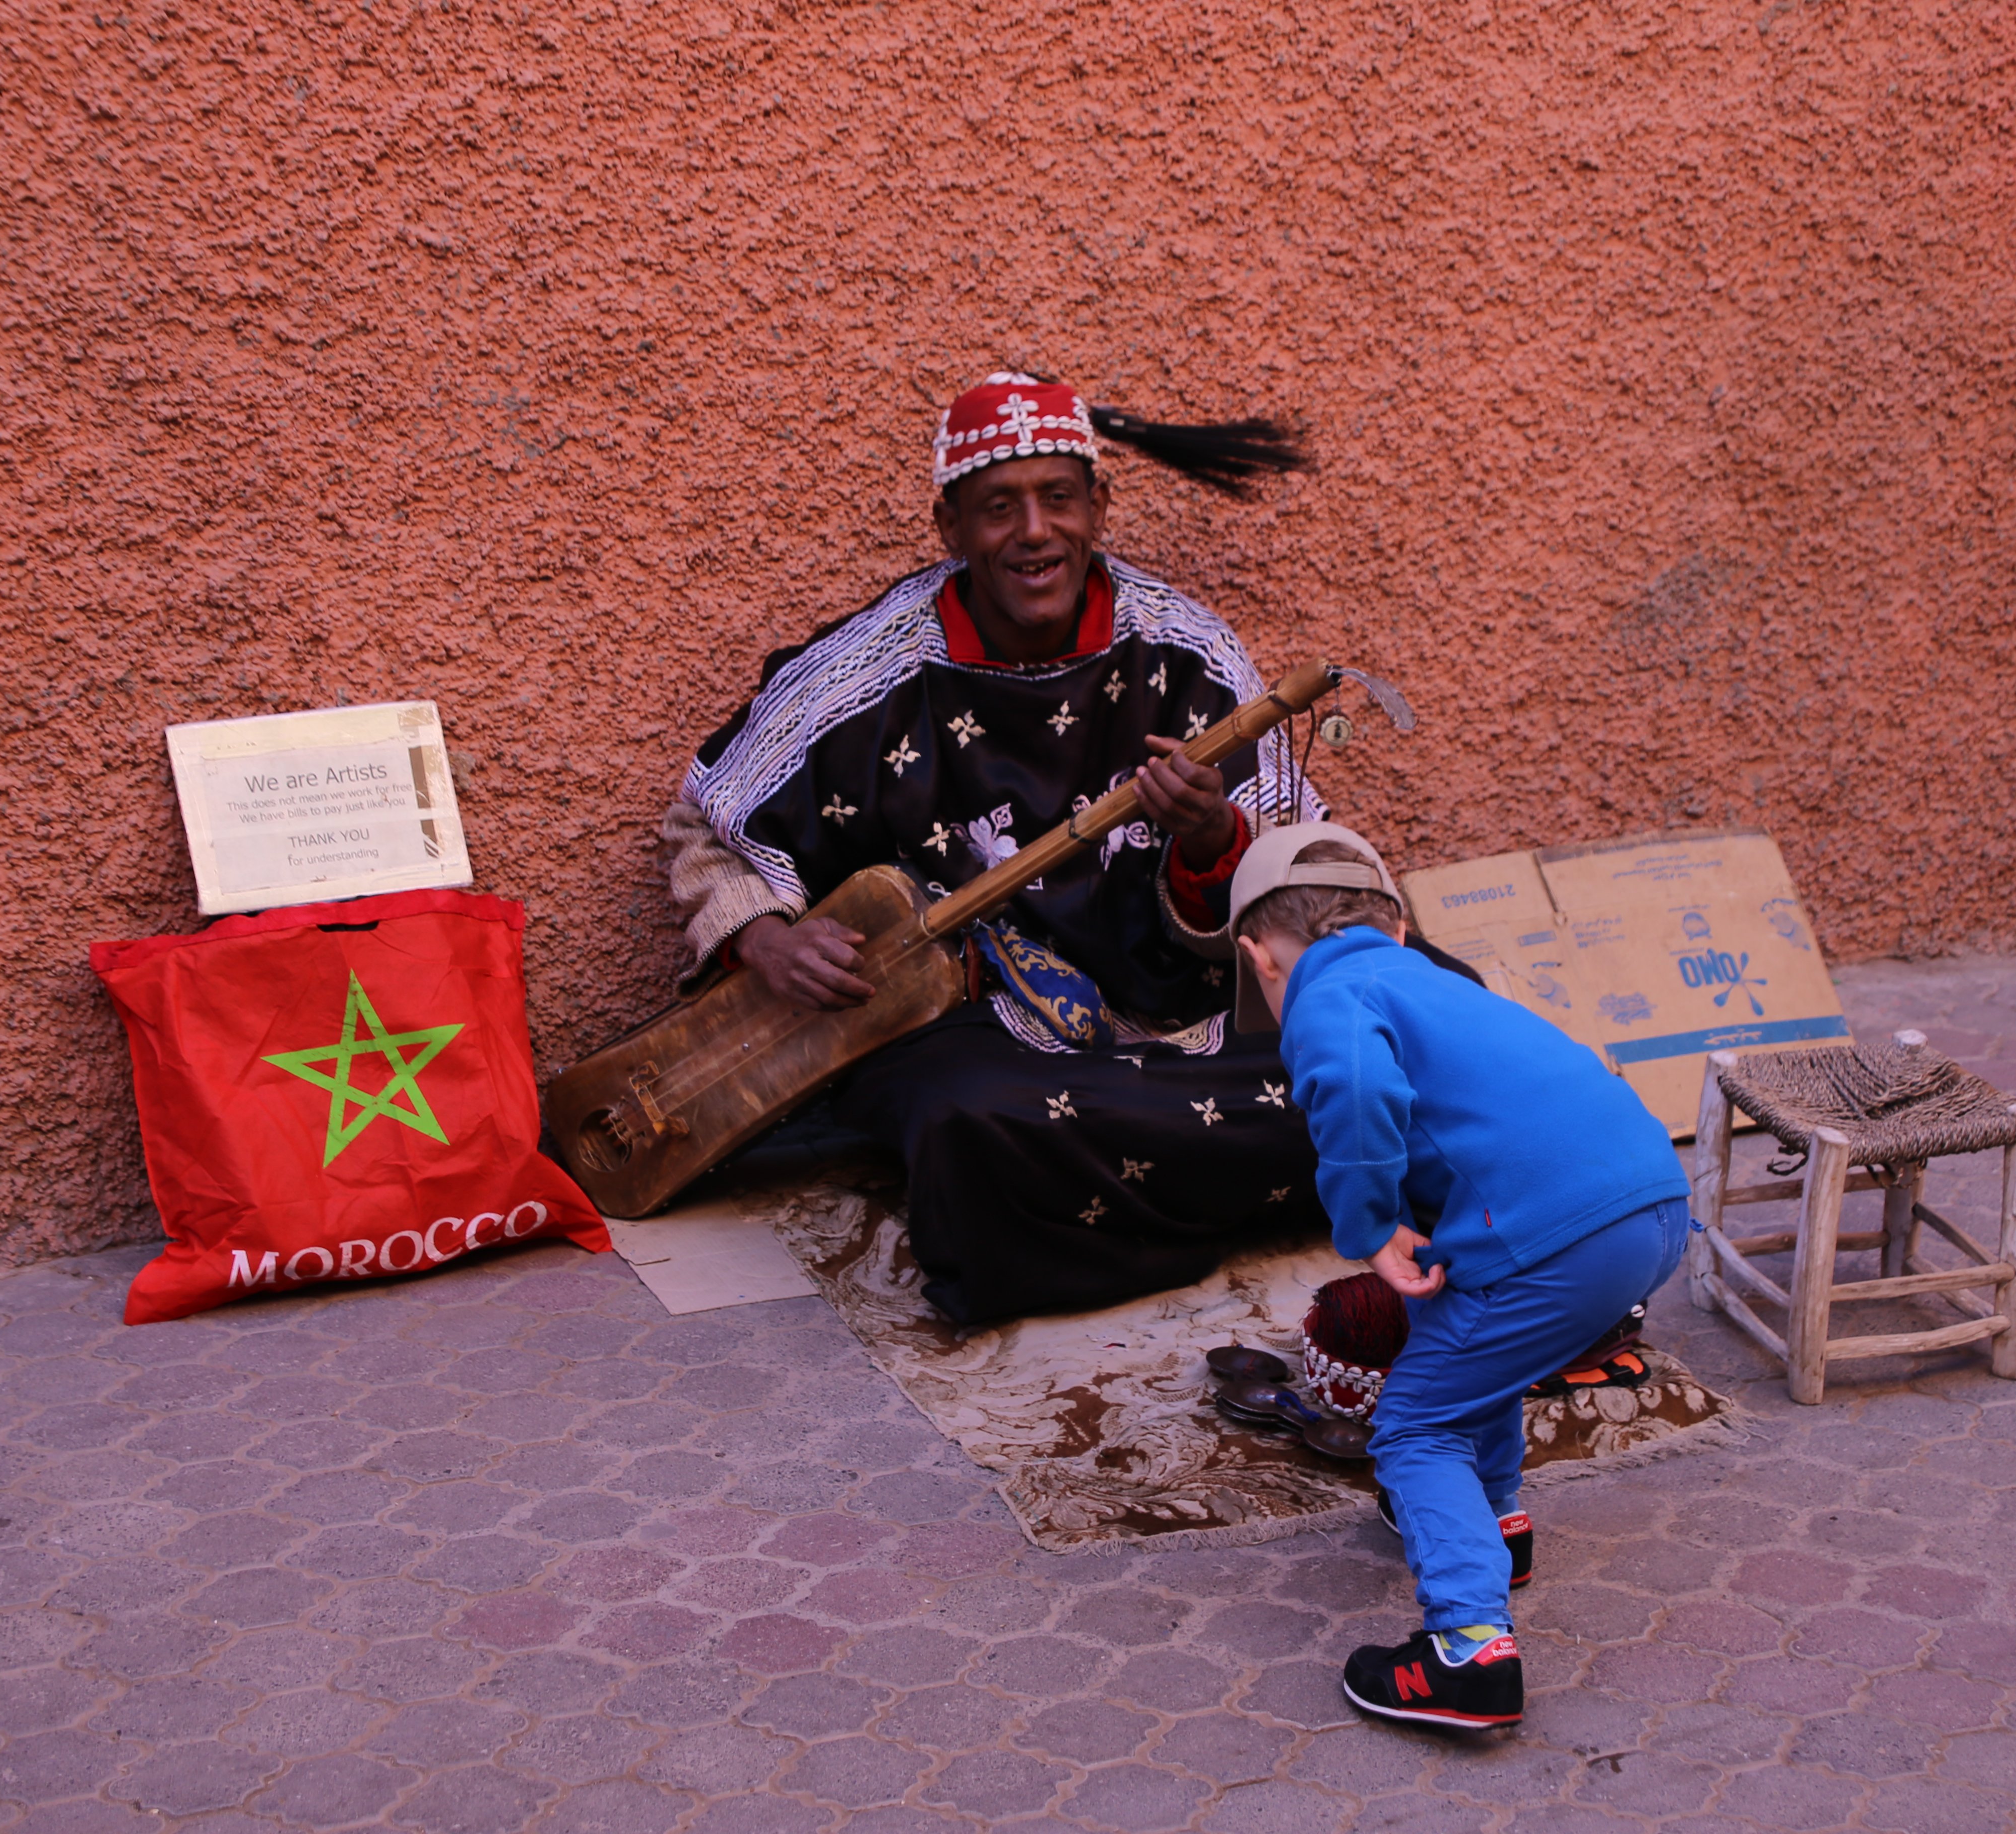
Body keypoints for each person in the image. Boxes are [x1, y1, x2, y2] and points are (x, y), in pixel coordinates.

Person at [659, 372, 1328, 1327]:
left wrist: (1211, 837)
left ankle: (1121, 1211)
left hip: (1174, 1015)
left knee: (1403, 1023)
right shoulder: (864, 670)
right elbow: (702, 824)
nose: (1034, 533)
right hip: (976, 1032)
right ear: (949, 527)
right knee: (964, 1123)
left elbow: (1292, 877)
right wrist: (762, 938)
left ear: (1098, 506)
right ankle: (1279, 1192)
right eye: (997, 508)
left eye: (1059, 498)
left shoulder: (1184, 650)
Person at [1227, 823, 1692, 1731]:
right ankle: (1497, 1530)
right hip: (1655, 1203)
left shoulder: (1327, 993)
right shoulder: (1429, 981)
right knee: (1466, 1353)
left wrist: (1367, 1228)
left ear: (1260, 960)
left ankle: (1469, 1655)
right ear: (1395, 928)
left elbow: (1356, 1091)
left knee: (1415, 1424)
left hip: (1560, 1238)